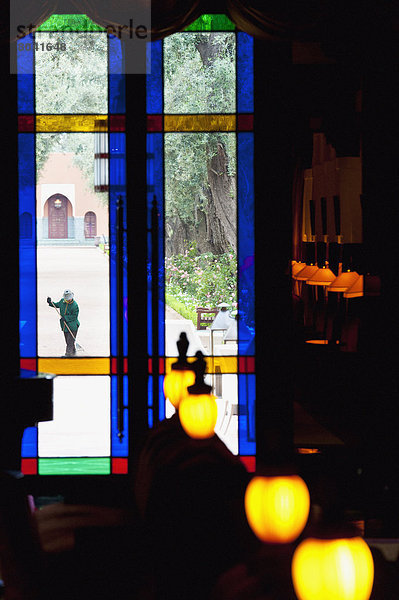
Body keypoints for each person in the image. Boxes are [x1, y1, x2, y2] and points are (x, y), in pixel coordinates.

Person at [47, 290, 80, 357]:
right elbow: (56, 305)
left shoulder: (75, 305)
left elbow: (74, 316)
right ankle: (73, 353)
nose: (67, 300)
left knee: (70, 342)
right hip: (64, 326)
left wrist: (66, 318)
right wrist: (50, 302)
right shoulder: (62, 301)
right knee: (68, 341)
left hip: (73, 326)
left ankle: (68, 354)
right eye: (66, 299)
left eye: (68, 299)